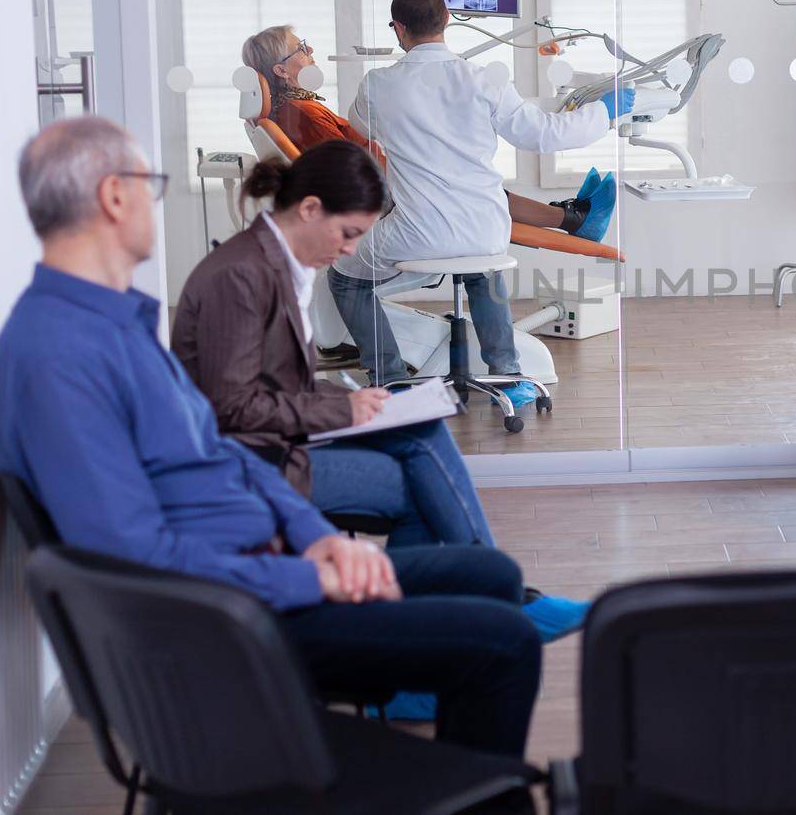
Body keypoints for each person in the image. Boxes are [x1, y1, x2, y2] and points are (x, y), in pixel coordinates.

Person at [0, 116, 540, 756]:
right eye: (152, 185)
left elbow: (217, 455)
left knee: (489, 575)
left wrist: (318, 539)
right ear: (114, 197)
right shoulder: (58, 358)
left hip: (266, 564)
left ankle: (446, 769)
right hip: (235, 620)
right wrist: (308, 579)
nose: (155, 206)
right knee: (504, 640)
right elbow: (131, 557)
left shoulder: (115, 325)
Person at [169, 138, 588, 643]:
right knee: (422, 485)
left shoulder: (274, 265)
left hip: (279, 442)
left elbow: (272, 388)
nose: (349, 250)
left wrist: (355, 405)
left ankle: (462, 623)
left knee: (421, 431)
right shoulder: (240, 278)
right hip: (253, 463)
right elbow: (230, 409)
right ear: (309, 209)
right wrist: (340, 409)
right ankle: (479, 615)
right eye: (348, 234)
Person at [327, 0, 634, 404]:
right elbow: (545, 134)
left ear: (398, 29)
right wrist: (605, 110)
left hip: (417, 232)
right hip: (486, 228)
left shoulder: (377, 85)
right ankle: (508, 377)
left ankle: (392, 380)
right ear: (447, 21)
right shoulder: (483, 79)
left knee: (344, 276)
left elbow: (360, 130)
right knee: (483, 272)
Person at [241, 23, 615, 242]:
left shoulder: (296, 109)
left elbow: (353, 145)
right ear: (281, 71)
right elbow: (350, 160)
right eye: (301, 49)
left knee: (468, 181)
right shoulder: (302, 112)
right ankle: (572, 219)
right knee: (471, 184)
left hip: (386, 179)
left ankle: (569, 215)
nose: (311, 51)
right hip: (385, 191)